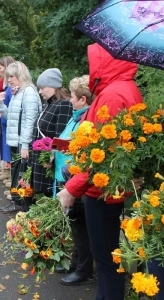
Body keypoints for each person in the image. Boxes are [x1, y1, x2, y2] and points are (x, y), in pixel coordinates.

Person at [57, 43, 144, 300]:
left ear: (103, 62)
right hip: (103, 185)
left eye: (93, 62)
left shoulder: (114, 94)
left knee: (106, 258)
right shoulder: (119, 89)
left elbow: (104, 154)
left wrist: (71, 188)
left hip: (102, 190)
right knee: (106, 257)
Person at [2, 68, 73, 214]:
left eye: (42, 88)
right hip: (39, 160)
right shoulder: (50, 104)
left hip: (48, 163)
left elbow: (61, 138)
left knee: (43, 200)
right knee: (34, 200)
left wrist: (50, 157)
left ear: (53, 86)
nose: (40, 92)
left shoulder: (63, 105)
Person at [53, 75, 94, 286]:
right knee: (76, 225)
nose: (70, 100)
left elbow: (81, 148)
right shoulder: (76, 116)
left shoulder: (86, 119)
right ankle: (76, 262)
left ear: (83, 100)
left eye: (73, 97)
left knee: (82, 227)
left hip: (79, 177)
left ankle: (83, 270)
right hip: (70, 175)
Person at [0, 61, 41, 214]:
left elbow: (30, 120)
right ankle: (17, 201)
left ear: (20, 75)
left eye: (11, 76)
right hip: (16, 140)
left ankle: (21, 203)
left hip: (23, 141)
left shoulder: (28, 92)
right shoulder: (17, 91)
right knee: (16, 171)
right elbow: (11, 118)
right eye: (8, 76)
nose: (8, 80)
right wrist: (1, 105)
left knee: (22, 173)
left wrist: (25, 144)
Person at [0, 56, 16, 182]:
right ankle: (9, 174)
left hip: (10, 123)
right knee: (5, 148)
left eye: (0, 68)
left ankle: (12, 177)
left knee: (11, 150)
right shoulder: (6, 86)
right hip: (5, 122)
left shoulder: (12, 88)